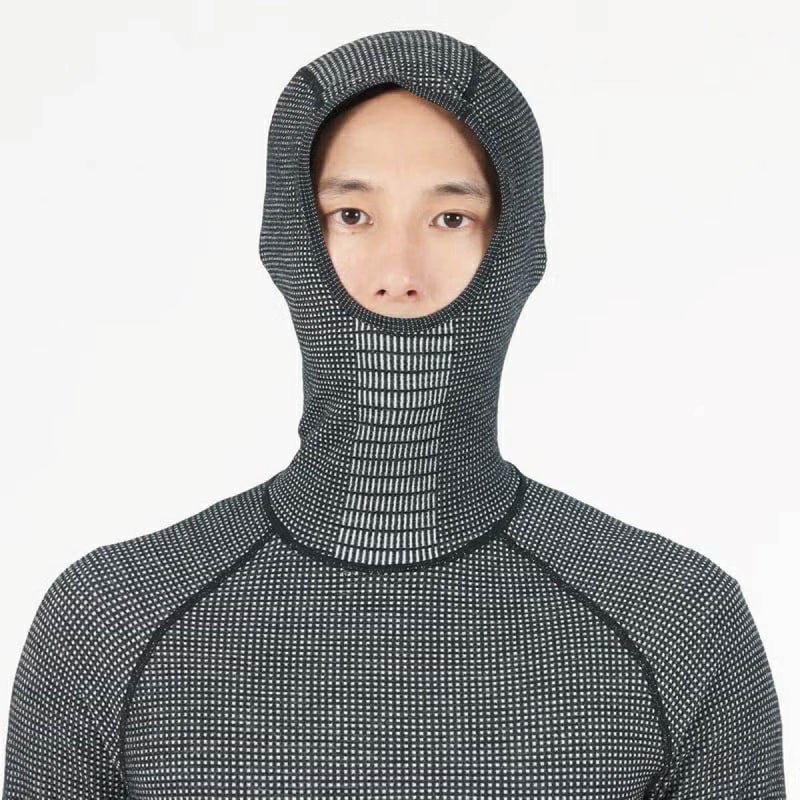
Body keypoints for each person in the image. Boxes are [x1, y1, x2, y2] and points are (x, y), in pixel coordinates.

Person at [2, 28, 785, 799]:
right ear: (291, 242)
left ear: (513, 249)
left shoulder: (676, 622)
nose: (398, 274)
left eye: (450, 218)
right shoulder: (111, 623)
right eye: (352, 215)